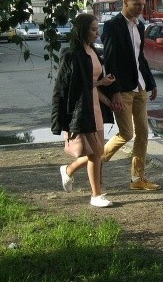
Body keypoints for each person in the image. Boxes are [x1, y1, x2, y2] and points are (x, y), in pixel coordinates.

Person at [51, 13, 116, 208]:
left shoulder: (94, 52)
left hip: (95, 107)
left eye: (97, 29)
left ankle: (69, 170)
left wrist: (106, 94)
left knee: (98, 152)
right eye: (93, 29)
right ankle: (96, 195)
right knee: (96, 153)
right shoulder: (71, 54)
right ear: (82, 30)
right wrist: (60, 119)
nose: (97, 33)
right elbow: (66, 87)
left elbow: (92, 84)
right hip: (82, 108)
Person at [101, 0, 160, 190]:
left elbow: (139, 57)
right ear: (125, 3)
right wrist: (114, 91)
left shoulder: (140, 26)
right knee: (126, 134)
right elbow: (110, 60)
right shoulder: (112, 26)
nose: (140, 9)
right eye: (136, 5)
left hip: (140, 88)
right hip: (122, 90)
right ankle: (97, 160)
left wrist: (150, 83)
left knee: (143, 133)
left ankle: (137, 179)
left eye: (143, 5)